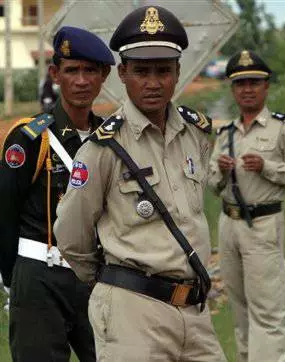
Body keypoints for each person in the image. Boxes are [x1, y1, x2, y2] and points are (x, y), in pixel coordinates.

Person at [53, 6, 226, 362]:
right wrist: (112, 284)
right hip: (132, 312)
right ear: (123, 73)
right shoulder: (103, 148)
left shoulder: (197, 134)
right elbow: (71, 235)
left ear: (177, 72)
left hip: (195, 312)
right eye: (141, 71)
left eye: (163, 71)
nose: (153, 82)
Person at [0, 26, 114, 362]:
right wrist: (14, 281)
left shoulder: (110, 138)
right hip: (40, 277)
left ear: (104, 75)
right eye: (72, 71)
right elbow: (4, 212)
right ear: (55, 75)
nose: (81, 81)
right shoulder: (31, 137)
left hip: (96, 279)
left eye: (90, 71)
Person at [208, 50, 285, 362]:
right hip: (229, 224)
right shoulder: (225, 132)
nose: (247, 89)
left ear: (266, 86)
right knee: (239, 310)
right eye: (240, 84)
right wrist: (221, 172)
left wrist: (267, 166)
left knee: (267, 311)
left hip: (263, 224)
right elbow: (211, 184)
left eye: (254, 82)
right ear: (233, 90)